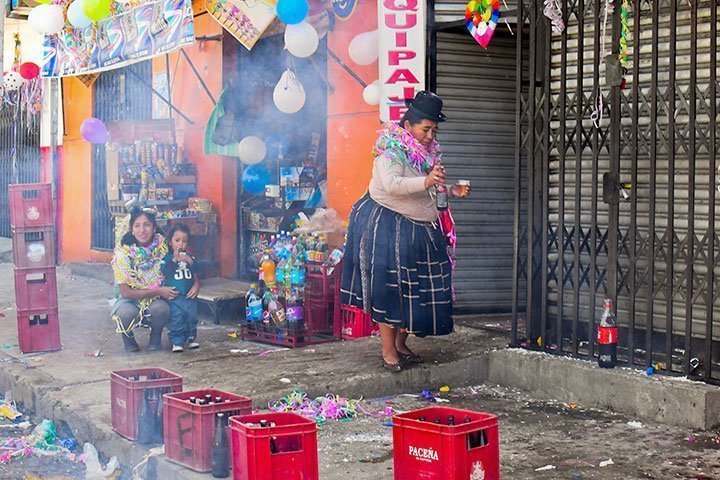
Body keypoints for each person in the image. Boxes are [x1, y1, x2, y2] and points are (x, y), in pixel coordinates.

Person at [340, 91, 470, 372]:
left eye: (434, 129)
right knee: (391, 290)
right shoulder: (390, 151)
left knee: (417, 290)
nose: (430, 135)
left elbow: (426, 192)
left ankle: (400, 343)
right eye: (426, 128)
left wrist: (450, 191)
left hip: (420, 228)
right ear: (409, 125)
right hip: (387, 225)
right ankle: (388, 351)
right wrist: (427, 180)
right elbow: (393, 185)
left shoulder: (427, 154)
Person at [111, 207, 178, 352]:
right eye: (137, 225)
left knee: (162, 309)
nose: (142, 230)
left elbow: (178, 265)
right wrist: (159, 290)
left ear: (154, 227)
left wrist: (196, 283)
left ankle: (155, 339)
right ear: (132, 229)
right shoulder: (123, 253)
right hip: (130, 299)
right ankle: (128, 339)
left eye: (147, 225)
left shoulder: (162, 247)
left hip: (155, 298)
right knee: (125, 313)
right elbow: (126, 293)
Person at [162, 223, 201, 352]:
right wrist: (174, 258)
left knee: (191, 317)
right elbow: (166, 272)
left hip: (189, 295)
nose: (180, 244)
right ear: (170, 241)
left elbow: (197, 271)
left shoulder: (190, 257)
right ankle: (177, 342)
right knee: (176, 318)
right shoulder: (167, 258)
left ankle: (190, 339)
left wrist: (190, 262)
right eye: (177, 240)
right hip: (175, 296)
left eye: (184, 241)